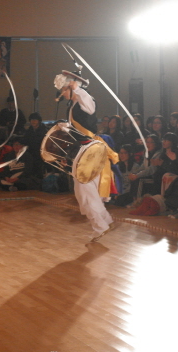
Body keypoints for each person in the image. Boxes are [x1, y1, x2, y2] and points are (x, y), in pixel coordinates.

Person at [54, 69, 118, 242]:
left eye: (64, 89)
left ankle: (100, 225)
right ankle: (105, 221)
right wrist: (66, 128)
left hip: (89, 151)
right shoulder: (74, 106)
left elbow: (90, 108)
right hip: (86, 149)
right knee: (85, 190)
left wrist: (78, 88)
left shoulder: (85, 99)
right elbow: (79, 128)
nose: (63, 94)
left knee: (85, 190)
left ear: (72, 87)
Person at [22, 112, 48, 178]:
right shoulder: (29, 131)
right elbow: (25, 141)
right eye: (31, 120)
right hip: (31, 152)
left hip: (41, 153)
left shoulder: (44, 131)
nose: (33, 121)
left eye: (35, 120)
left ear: (39, 121)